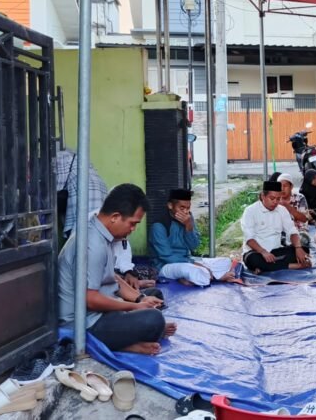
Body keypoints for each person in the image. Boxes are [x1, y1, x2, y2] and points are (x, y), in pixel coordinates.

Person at [58, 184, 175, 355]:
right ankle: (123, 345)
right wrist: (134, 307)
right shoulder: (92, 244)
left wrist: (140, 298)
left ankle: (132, 336)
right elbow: (90, 300)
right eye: (132, 224)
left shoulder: (101, 229)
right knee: (154, 319)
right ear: (115, 217)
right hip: (85, 323)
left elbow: (111, 278)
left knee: (154, 295)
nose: (133, 229)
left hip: (100, 310)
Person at [149, 189, 235, 287]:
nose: (185, 212)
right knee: (188, 270)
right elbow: (167, 257)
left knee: (225, 261)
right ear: (170, 206)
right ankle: (216, 277)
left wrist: (188, 227)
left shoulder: (188, 219)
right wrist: (194, 264)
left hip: (187, 260)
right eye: (182, 208)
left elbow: (194, 245)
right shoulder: (159, 226)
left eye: (188, 208)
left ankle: (194, 277)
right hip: (165, 266)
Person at [240, 180, 312, 273]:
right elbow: (249, 239)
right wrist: (263, 252)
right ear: (263, 196)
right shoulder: (250, 211)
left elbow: (292, 231)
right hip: (257, 252)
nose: (275, 202)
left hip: (276, 252)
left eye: (278, 199)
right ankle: (293, 266)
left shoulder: (281, 210)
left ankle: (264, 268)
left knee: (304, 250)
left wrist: (298, 248)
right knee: (252, 259)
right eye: (272, 198)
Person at [56, 148, 108, 243]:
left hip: (85, 192)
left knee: (79, 236)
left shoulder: (60, 159)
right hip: (98, 191)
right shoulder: (77, 159)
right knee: (94, 234)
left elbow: (56, 187)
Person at [276, 173, 311, 246]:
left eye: (285, 186)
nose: (282, 189)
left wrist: (287, 206)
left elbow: (304, 219)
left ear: (291, 187)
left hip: (298, 231)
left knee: (302, 240)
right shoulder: (275, 198)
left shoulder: (300, 198)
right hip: (280, 232)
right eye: (279, 186)